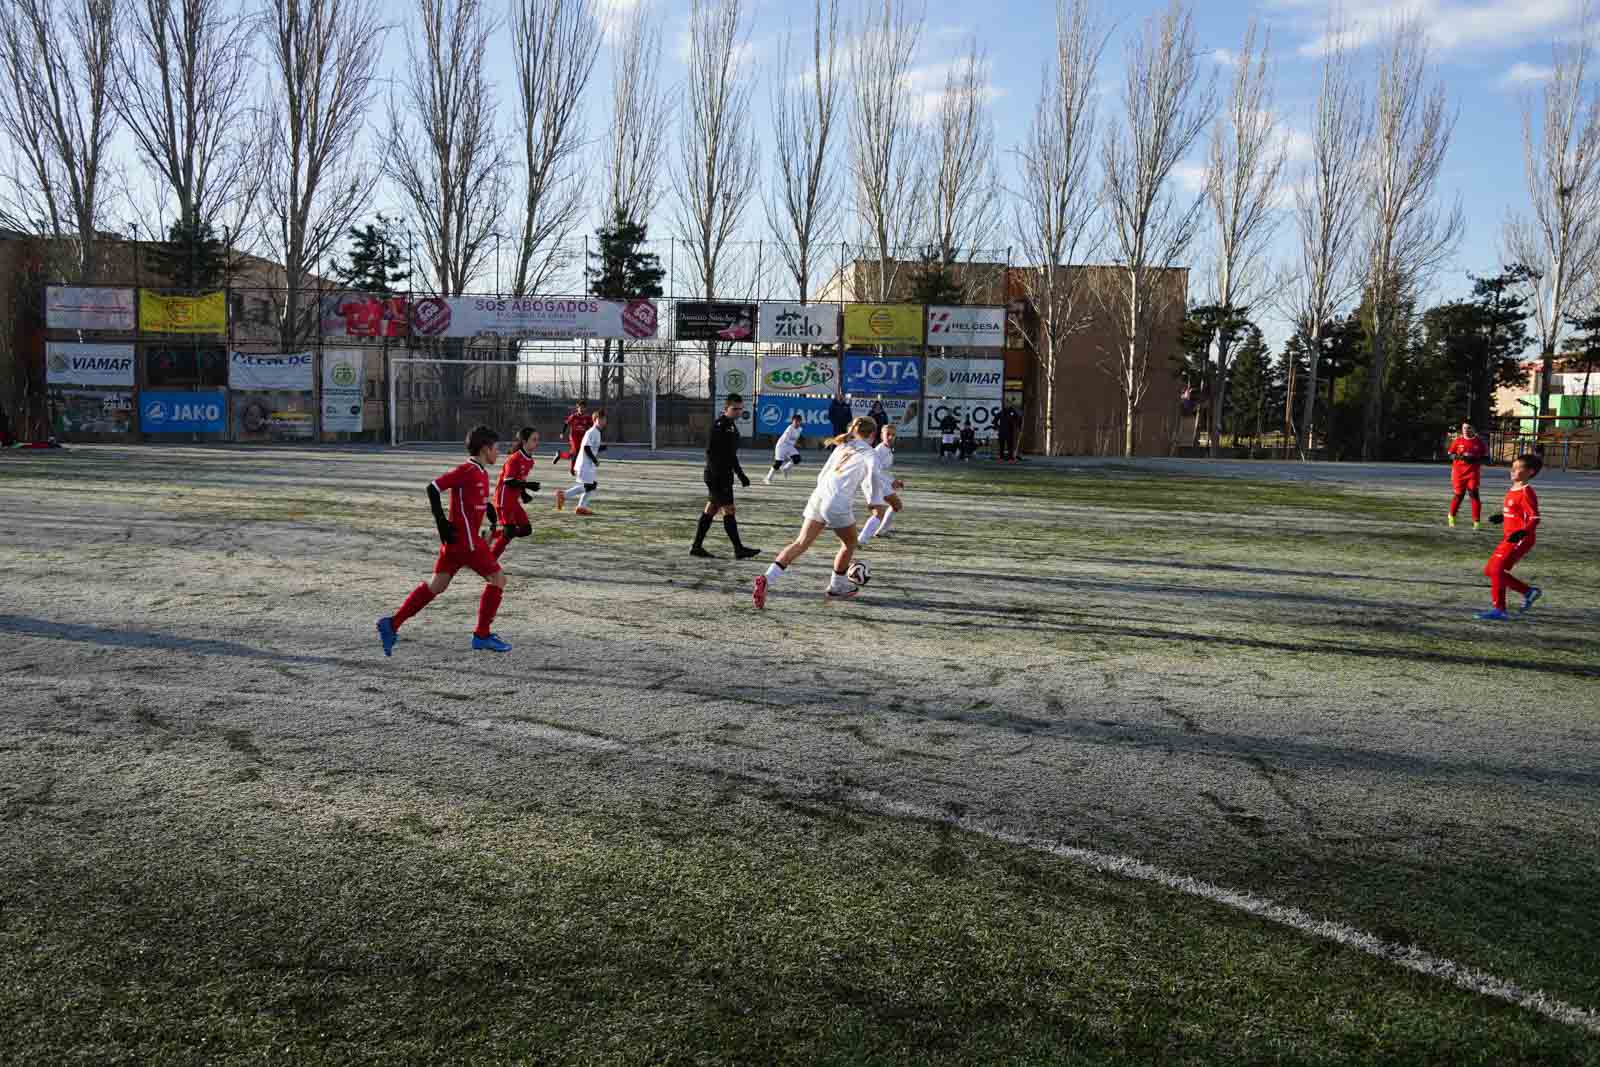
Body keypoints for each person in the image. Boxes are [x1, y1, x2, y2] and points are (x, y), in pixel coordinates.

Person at [376, 425, 512, 655]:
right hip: (465, 543)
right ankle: (482, 635)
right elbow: (433, 488)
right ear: (485, 449)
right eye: (496, 448)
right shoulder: (466, 470)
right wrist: (441, 522)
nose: (498, 453)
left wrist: (488, 512)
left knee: (436, 586)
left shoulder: (481, 472)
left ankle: (392, 623)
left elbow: (470, 502)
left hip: (459, 543)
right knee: (498, 579)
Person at [753, 416, 883, 608]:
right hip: (836, 501)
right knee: (850, 543)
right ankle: (836, 586)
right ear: (873, 434)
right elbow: (873, 473)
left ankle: (767, 577)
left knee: (800, 542)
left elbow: (823, 474)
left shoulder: (843, 446)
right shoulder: (870, 453)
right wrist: (874, 501)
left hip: (819, 494)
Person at [692, 393, 760, 559]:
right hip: (718, 476)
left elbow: (731, 455)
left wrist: (740, 474)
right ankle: (738, 549)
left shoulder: (730, 425)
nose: (738, 412)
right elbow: (711, 452)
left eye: (740, 409)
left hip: (722, 475)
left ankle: (696, 547)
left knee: (711, 509)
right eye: (734, 409)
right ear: (726, 409)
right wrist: (718, 475)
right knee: (729, 510)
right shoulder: (720, 425)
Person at [1476, 453, 1543, 621]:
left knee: (1497, 570)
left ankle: (1499, 610)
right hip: (1509, 537)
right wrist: (1502, 517)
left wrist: (1523, 532)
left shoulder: (1527, 492)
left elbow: (1535, 518)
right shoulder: (1514, 488)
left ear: (1530, 472)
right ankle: (1528, 592)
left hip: (1520, 538)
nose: (1513, 470)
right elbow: (1516, 511)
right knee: (1490, 570)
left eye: (1518, 468)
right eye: (1512, 466)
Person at [490, 427, 540, 559]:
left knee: (526, 530)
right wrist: (529, 485)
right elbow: (508, 481)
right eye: (534, 440)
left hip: (513, 500)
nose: (537, 443)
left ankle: (491, 535)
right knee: (510, 531)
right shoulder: (514, 458)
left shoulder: (530, 460)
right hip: (503, 499)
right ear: (524, 441)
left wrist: (524, 494)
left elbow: (520, 480)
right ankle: (490, 560)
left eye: (537, 440)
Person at [858, 423, 904, 548]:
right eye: (887, 434)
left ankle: (880, 532)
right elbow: (875, 470)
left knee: (896, 505)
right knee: (879, 512)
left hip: (880, 481)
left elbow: (883, 470)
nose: (890, 437)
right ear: (881, 435)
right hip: (873, 482)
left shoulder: (887, 449)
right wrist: (892, 481)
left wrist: (894, 480)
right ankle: (861, 540)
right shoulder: (879, 450)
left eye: (893, 435)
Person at [555, 409, 605, 516]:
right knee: (589, 486)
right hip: (585, 464)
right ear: (595, 420)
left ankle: (581, 507)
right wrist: (595, 460)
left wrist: (601, 448)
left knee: (592, 485)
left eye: (605, 419)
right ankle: (564, 495)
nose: (604, 421)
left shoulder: (597, 432)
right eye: (601, 419)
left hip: (588, 465)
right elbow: (587, 448)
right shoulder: (592, 432)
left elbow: (592, 448)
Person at [1446, 420, 1489, 529]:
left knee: (1474, 495)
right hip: (1458, 473)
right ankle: (1451, 516)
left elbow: (1487, 459)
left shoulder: (1479, 442)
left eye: (1468, 428)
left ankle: (1477, 523)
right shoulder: (1458, 440)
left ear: (1473, 429)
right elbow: (1450, 454)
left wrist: (1475, 459)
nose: (1465, 430)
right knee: (1459, 495)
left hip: (1473, 473)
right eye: (1464, 428)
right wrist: (1459, 457)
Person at [765, 412, 806, 483]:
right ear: (792, 421)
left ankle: (785, 469)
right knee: (778, 463)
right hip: (781, 446)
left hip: (789, 446)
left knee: (797, 459)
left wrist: (796, 444)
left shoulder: (800, 429)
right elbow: (786, 440)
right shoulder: (789, 428)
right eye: (795, 421)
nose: (797, 423)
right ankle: (768, 478)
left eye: (799, 421)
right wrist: (797, 445)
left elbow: (796, 439)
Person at [555, 400, 592, 474]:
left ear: (585, 408)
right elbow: (566, 423)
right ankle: (572, 470)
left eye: (583, 407)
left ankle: (561, 455)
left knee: (574, 454)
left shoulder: (587, 418)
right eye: (580, 407)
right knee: (576, 452)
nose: (581, 409)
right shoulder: (573, 416)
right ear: (577, 408)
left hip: (582, 438)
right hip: (573, 437)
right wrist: (562, 432)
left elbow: (592, 426)